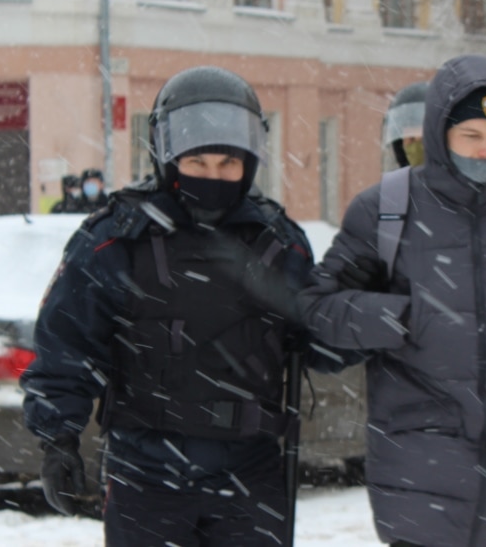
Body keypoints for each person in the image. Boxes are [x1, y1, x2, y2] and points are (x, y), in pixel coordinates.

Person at [21, 66, 349, 546]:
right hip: (147, 476)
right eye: (198, 163)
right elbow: (67, 344)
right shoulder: (116, 239)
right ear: (167, 158)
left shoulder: (279, 244)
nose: (213, 177)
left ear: (250, 163)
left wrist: (364, 306)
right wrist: (58, 439)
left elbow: (318, 342)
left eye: (227, 164)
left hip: (249, 478)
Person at [299, 54, 486, 547]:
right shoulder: (386, 209)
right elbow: (318, 309)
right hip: (419, 472)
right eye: (472, 137)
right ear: (441, 134)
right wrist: (402, 317)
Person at [382, 81, 427, 169]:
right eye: (411, 139)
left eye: (424, 139)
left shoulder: (457, 181)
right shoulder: (396, 182)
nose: (417, 148)